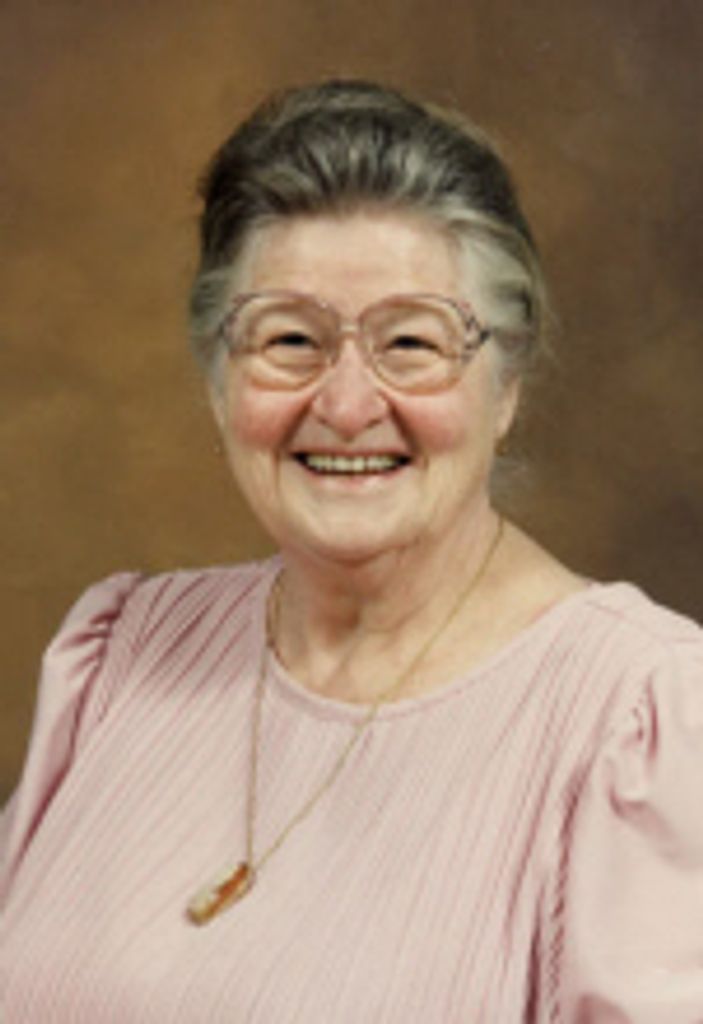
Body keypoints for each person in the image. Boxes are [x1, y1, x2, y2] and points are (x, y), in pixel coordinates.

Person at [1, 79, 702, 1023]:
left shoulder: (643, 719)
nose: (344, 403)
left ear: (504, 386)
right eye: (290, 338)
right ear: (218, 380)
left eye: (409, 342)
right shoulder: (124, 652)